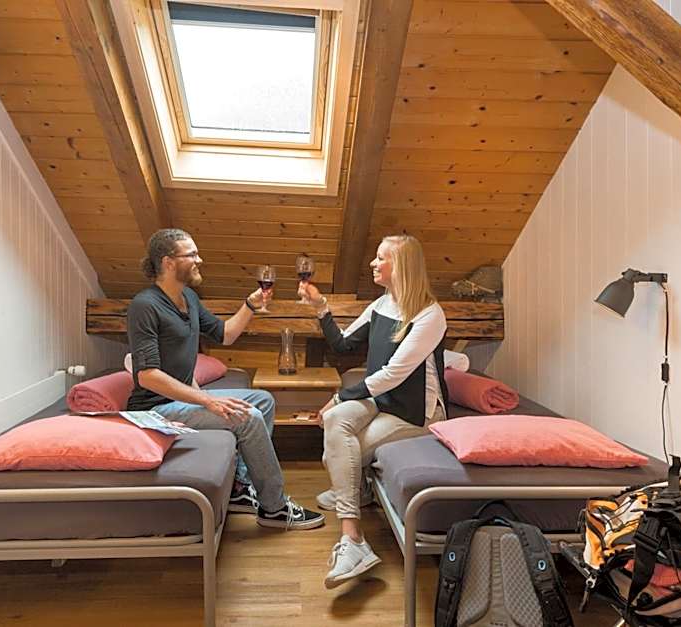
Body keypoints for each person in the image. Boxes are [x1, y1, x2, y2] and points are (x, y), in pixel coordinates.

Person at [127, 228, 324, 530]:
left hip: (181, 400)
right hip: (156, 409)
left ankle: (238, 488)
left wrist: (250, 305)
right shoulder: (145, 306)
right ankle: (274, 508)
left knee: (263, 400)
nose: (199, 260)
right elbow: (148, 376)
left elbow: (226, 335)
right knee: (248, 416)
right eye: (192, 254)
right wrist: (208, 400)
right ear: (168, 262)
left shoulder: (188, 298)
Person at [297, 234, 448, 586]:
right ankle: (358, 505)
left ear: (402, 266)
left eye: (381, 258)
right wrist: (321, 307)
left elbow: (393, 373)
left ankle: (353, 537)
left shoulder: (429, 315)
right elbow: (343, 344)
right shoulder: (382, 304)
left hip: (414, 413)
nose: (373, 263)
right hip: (381, 400)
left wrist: (339, 397)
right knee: (336, 426)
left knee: (337, 455)